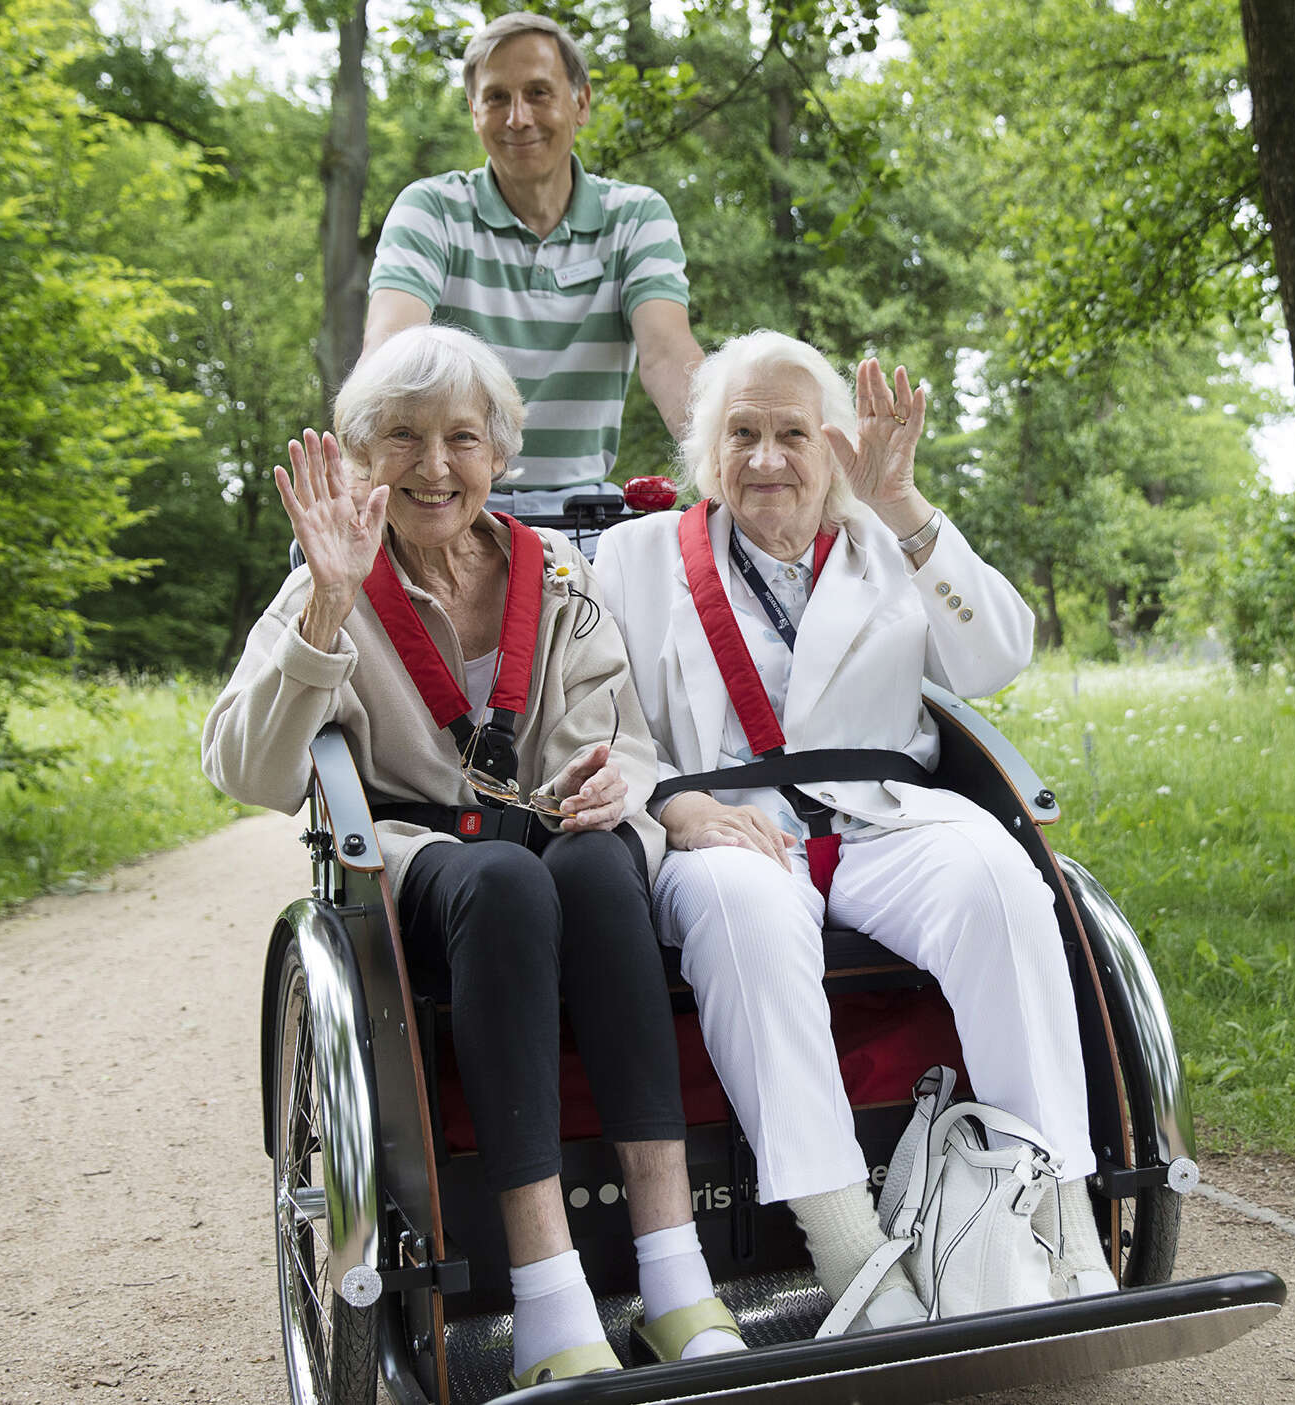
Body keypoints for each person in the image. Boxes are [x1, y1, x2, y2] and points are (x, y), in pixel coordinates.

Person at [203, 325, 741, 1386]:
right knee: (501, 877)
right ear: (362, 455)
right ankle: (549, 1301)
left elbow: (617, 731)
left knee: (591, 866)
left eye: (461, 437)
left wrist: (609, 782)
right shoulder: (333, 574)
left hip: (550, 844)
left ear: (500, 453)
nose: (434, 466)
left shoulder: (555, 572)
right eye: (401, 437)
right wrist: (325, 604)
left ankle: (678, 1279)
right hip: (419, 860)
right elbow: (246, 769)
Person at [592, 331, 1117, 1331]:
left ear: (831, 445)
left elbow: (997, 656)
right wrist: (670, 804)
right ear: (708, 451)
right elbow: (586, 723)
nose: (766, 457)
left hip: (885, 816)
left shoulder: (887, 536)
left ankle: (1062, 1219)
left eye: (792, 431)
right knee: (740, 906)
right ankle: (849, 1251)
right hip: (726, 820)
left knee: (1000, 876)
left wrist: (907, 505)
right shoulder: (635, 557)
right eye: (740, 432)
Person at [365, 11, 704, 514]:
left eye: (539, 93)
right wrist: (359, 471)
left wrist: (729, 457)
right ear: (474, 110)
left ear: (581, 102)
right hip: (443, 500)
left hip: (582, 514)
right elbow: (388, 353)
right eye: (497, 97)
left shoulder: (635, 216)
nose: (517, 117)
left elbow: (668, 355)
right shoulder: (430, 209)